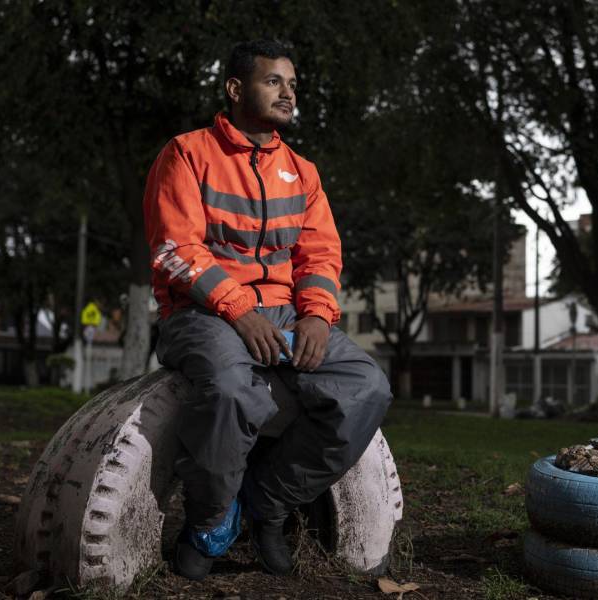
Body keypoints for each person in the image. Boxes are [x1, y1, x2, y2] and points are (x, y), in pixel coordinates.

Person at [143, 39, 392, 581]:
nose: (288, 93)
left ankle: (268, 503)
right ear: (235, 89)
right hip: (200, 314)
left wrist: (318, 316)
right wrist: (238, 309)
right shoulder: (186, 153)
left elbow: (320, 254)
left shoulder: (302, 171)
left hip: (284, 315)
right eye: (273, 81)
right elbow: (176, 249)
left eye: (293, 83)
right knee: (232, 389)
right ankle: (210, 520)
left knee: (366, 387)